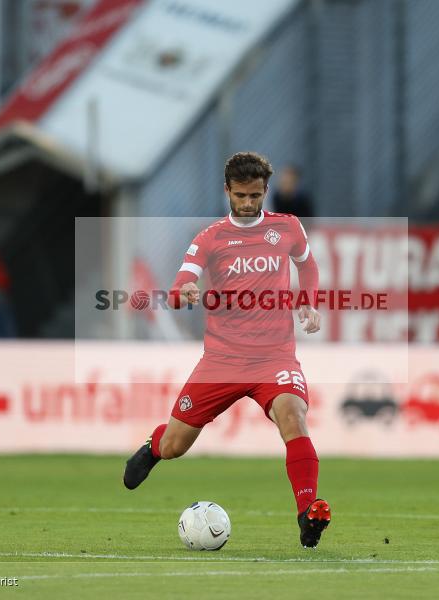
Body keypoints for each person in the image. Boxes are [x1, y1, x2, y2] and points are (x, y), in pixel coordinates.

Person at [122, 152, 330, 549]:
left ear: (266, 191)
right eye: (241, 196)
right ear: (227, 192)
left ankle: (307, 513)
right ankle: (154, 447)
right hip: (221, 361)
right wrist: (185, 292)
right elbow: (181, 287)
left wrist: (309, 300)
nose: (249, 204)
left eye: (255, 195)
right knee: (176, 446)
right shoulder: (209, 238)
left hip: (275, 357)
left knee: (294, 417)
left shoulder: (287, 228)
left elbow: (308, 265)